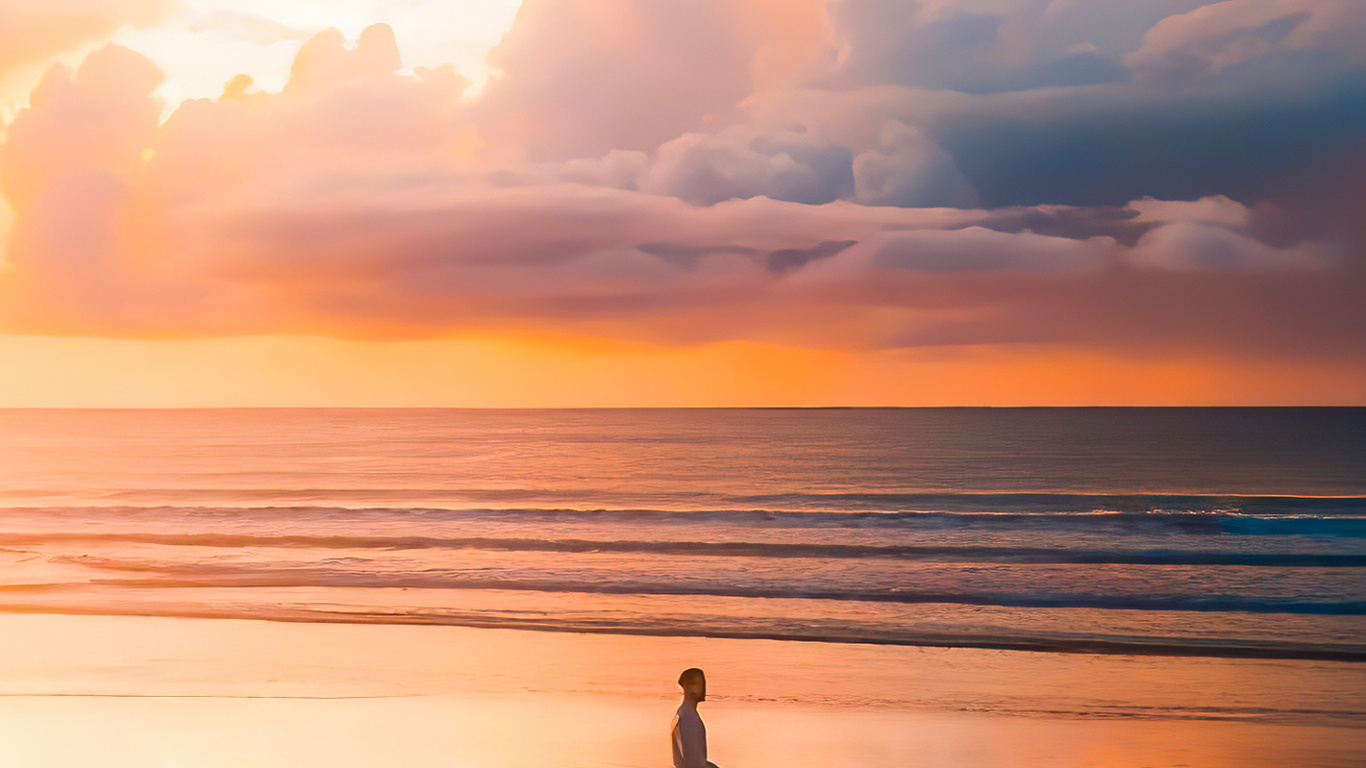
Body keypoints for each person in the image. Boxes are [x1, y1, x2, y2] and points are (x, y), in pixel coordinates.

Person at [671, 667, 721, 768]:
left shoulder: (683, 713)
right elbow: (696, 763)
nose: (704, 689)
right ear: (688, 687)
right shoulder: (689, 717)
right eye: (697, 684)